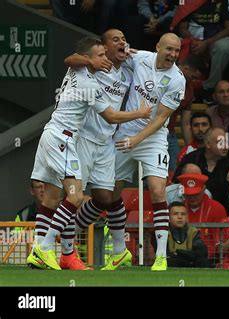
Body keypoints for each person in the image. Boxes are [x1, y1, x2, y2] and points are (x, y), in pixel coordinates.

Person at [27, 37, 152, 271]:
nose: (105, 59)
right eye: (101, 55)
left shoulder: (76, 70)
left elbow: (72, 58)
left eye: (106, 55)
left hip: (51, 135)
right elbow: (112, 116)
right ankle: (43, 249)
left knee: (52, 195)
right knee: (74, 197)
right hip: (64, 139)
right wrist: (141, 112)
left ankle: (47, 253)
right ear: (88, 59)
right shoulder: (91, 85)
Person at [60, 29, 137, 271]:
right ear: (103, 48)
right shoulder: (90, 66)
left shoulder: (127, 70)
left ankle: (71, 237)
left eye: (124, 39)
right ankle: (66, 251)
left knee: (105, 197)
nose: (122, 42)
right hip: (83, 137)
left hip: (106, 142)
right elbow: (70, 59)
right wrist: (91, 59)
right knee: (74, 195)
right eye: (115, 40)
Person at [111, 33, 186, 271]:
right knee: (110, 193)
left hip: (152, 138)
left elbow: (162, 117)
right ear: (157, 47)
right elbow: (118, 56)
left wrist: (137, 139)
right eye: (169, 49)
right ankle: (118, 251)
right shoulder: (141, 58)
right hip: (125, 132)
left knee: (157, 190)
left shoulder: (177, 79)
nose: (173, 54)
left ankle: (161, 256)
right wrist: (121, 47)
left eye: (177, 50)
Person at [177, 173, 227, 265]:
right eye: (188, 194)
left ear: (204, 189)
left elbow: (220, 240)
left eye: (196, 194)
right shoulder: (178, 209)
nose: (192, 198)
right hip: (183, 257)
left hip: (209, 259)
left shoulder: (217, 208)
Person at [165, 201, 209, 268]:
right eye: (175, 214)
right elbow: (165, 256)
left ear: (187, 217)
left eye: (183, 214)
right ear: (168, 218)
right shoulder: (163, 233)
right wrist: (188, 255)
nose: (180, 217)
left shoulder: (193, 232)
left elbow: (201, 254)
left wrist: (177, 252)